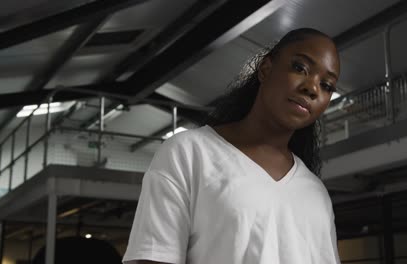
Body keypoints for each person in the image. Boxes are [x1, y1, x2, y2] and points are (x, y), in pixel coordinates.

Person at [123, 28, 341, 264]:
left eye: (327, 85)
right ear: (266, 69)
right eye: (300, 68)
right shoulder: (188, 152)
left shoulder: (316, 193)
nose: (313, 88)